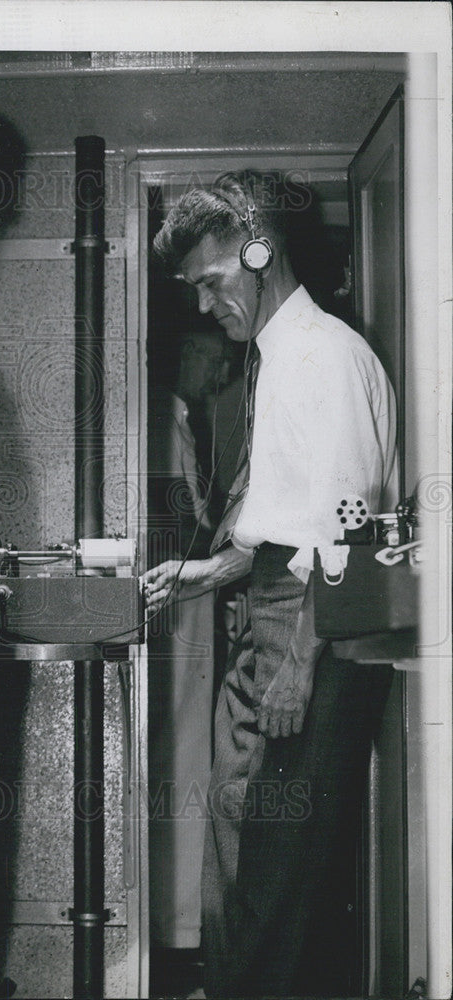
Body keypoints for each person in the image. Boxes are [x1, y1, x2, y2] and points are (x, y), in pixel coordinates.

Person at [142, 171, 397, 998]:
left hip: (304, 627)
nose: (207, 306)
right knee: (252, 850)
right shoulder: (283, 355)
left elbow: (345, 529)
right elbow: (293, 511)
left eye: (213, 283)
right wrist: (210, 569)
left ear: (260, 251)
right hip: (284, 612)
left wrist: (296, 663)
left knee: (268, 868)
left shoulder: (318, 356)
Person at [146, 330, 228, 976]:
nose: (220, 364)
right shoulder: (155, 413)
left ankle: (182, 925)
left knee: (187, 755)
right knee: (178, 755)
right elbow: (173, 520)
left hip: (190, 597)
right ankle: (173, 932)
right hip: (176, 602)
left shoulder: (178, 415)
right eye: (209, 353)